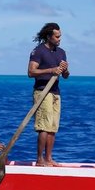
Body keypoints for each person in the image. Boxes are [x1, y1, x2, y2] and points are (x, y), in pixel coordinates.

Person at [28, 23, 70, 167]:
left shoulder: (61, 52)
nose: (59, 39)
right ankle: (40, 160)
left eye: (60, 36)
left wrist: (64, 71)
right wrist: (51, 70)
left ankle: (49, 158)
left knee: (53, 127)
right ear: (48, 36)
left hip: (55, 92)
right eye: (57, 36)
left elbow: (65, 76)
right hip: (42, 92)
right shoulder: (38, 51)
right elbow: (31, 72)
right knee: (43, 127)